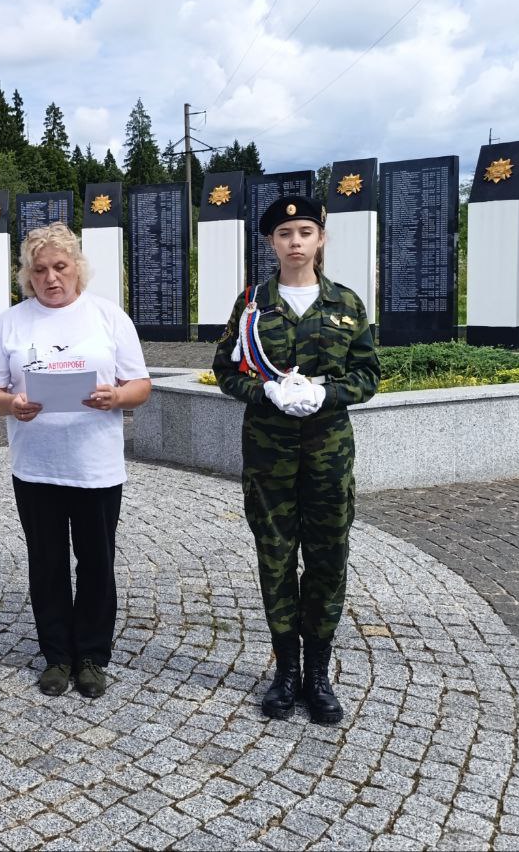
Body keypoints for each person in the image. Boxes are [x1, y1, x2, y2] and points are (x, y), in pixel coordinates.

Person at [212, 194, 379, 725]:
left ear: (321, 239)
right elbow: (225, 370)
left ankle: (318, 675)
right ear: (271, 243)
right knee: (277, 556)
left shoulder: (347, 305)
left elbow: (368, 375)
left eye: (305, 232)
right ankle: (285, 671)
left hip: (329, 452)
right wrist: (266, 395)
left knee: (328, 557)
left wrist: (326, 395)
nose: (295, 242)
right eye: (285, 235)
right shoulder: (251, 305)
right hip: (269, 452)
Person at [0, 223, 150, 699]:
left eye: (60, 266)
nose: (51, 278)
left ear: (77, 268)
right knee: (47, 562)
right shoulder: (12, 322)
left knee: (96, 562)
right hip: (36, 465)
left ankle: (92, 655)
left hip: (95, 465)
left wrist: (116, 396)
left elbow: (141, 385)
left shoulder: (108, 317)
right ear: (26, 276)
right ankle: (56, 654)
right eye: (40, 270)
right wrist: (11, 405)